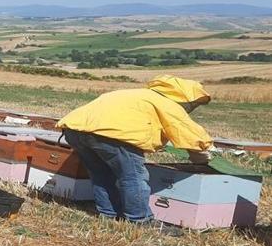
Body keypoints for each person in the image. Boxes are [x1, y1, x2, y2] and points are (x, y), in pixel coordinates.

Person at [57, 75, 213, 226]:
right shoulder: (166, 103)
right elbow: (187, 131)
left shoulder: (136, 94)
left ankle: (108, 214)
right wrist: (202, 155)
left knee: (101, 174)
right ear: (184, 97)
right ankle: (140, 219)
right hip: (112, 135)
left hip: (74, 130)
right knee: (133, 177)